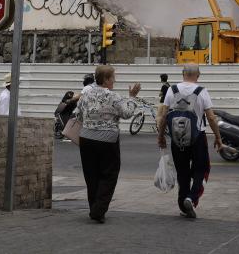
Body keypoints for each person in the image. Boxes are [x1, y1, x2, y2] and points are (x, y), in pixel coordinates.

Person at [76, 65, 141, 223]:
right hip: (107, 140)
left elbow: (78, 115)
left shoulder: (85, 94)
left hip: (86, 139)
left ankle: (95, 208)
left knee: (91, 175)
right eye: (113, 77)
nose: (115, 80)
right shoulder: (114, 96)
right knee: (109, 175)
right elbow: (126, 113)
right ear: (105, 80)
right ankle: (98, 210)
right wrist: (132, 97)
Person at [157, 63, 223, 219]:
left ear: (183, 73)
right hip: (197, 137)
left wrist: (160, 136)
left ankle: (183, 204)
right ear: (198, 75)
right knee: (203, 168)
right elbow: (211, 117)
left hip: (177, 139)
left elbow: (164, 116)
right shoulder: (201, 91)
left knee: (183, 172)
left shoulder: (171, 90)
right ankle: (191, 199)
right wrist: (218, 137)